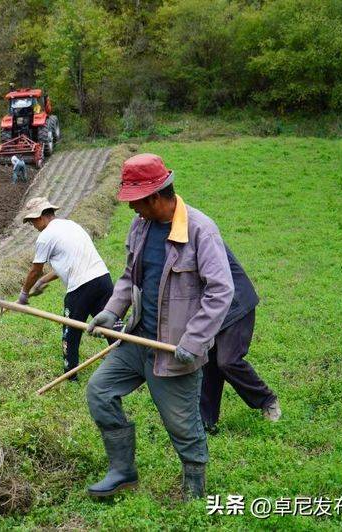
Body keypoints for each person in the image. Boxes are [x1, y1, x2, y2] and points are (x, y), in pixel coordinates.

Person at [84, 153, 234, 500]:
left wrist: (194, 341)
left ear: (154, 197)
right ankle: (123, 471)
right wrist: (111, 310)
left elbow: (220, 292)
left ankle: (195, 484)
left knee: (181, 424)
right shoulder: (141, 226)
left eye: (135, 202)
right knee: (100, 392)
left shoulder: (199, 231)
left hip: (175, 351)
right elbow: (128, 276)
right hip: (137, 340)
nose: (131, 209)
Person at [18, 197, 113, 380]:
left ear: (40, 217)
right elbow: (70, 261)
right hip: (103, 279)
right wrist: (43, 281)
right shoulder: (71, 225)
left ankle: (70, 375)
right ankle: (127, 363)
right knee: (110, 325)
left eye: (31, 222)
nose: (32, 226)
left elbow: (35, 270)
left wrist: (23, 294)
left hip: (81, 287)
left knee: (70, 332)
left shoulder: (45, 236)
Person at [201, 245, 280, 433]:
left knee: (228, 361)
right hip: (212, 308)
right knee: (208, 362)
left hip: (236, 303)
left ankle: (267, 400)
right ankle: (206, 421)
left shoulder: (200, 233)